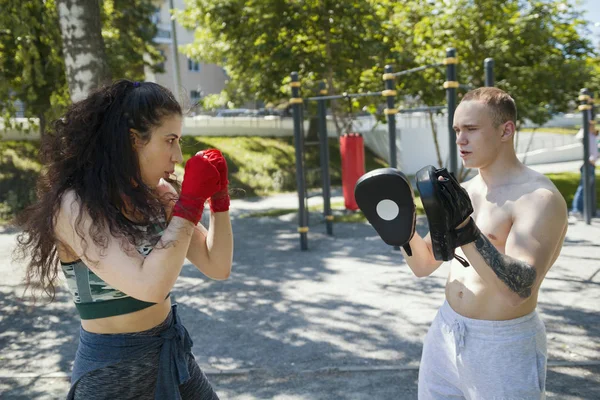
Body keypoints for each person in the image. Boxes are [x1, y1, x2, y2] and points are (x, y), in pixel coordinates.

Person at [14, 79, 233, 399]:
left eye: (180, 141)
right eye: (170, 140)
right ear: (133, 141)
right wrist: (190, 204)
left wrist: (219, 201)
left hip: (171, 355)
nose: (177, 155)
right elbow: (149, 287)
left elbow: (217, 266)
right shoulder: (74, 206)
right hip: (111, 374)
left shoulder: (161, 196)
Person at [403, 88, 568, 399]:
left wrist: (466, 229)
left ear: (506, 130)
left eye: (472, 129)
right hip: (446, 331)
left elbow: (518, 292)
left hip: (502, 345)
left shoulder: (538, 199)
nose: (460, 140)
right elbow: (424, 264)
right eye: (457, 130)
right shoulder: (464, 191)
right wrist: (401, 230)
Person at [569, 119, 598, 223]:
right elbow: (579, 135)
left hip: (591, 164)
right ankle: (576, 211)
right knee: (583, 188)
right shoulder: (585, 135)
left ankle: (585, 210)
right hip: (588, 164)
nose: (593, 126)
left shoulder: (592, 136)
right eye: (591, 124)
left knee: (587, 188)